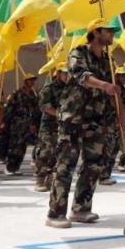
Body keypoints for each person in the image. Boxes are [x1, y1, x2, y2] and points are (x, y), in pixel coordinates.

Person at [46, 18, 118, 228]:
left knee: (93, 166)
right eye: (108, 31)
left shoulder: (108, 60)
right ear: (96, 33)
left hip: (96, 120)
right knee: (65, 165)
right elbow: (81, 76)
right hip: (73, 118)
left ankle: (81, 208)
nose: (112, 34)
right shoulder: (79, 53)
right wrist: (105, 85)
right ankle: (55, 213)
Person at [34, 64, 69, 192]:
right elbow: (44, 106)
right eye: (65, 73)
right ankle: (40, 178)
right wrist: (60, 114)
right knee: (45, 151)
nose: (67, 75)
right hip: (48, 126)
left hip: (63, 127)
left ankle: (50, 179)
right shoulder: (49, 88)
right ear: (58, 74)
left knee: (58, 154)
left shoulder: (70, 89)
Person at [3, 74, 38, 176]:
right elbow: (9, 109)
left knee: (22, 146)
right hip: (17, 123)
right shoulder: (17, 93)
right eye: (30, 80)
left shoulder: (33, 95)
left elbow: (35, 110)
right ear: (25, 81)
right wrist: (6, 122)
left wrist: (33, 124)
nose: (32, 82)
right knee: (14, 146)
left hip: (27, 124)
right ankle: (10, 167)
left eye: (33, 80)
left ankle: (17, 166)